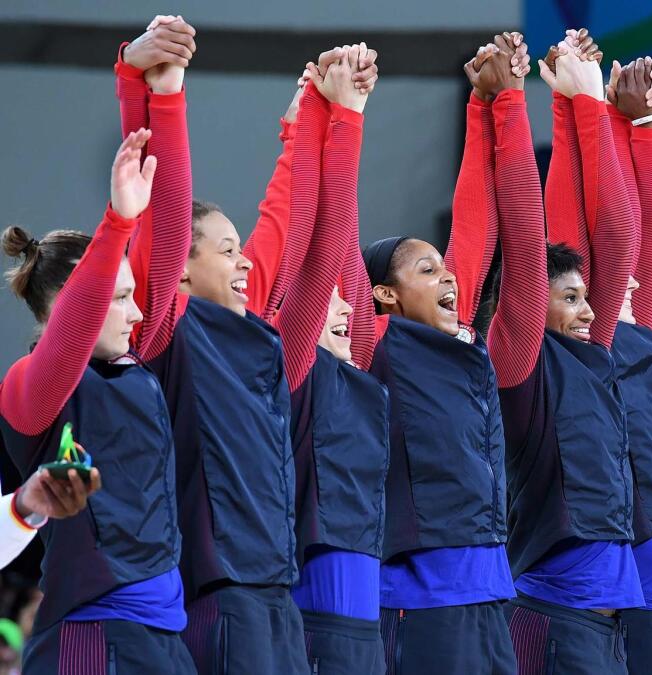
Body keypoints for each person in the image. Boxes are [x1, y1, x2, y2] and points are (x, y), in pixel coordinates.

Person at [112, 16, 371, 672]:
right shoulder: (165, 331)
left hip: (280, 598)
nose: (244, 262)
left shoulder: (268, 345)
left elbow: (304, 234)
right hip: (217, 599)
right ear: (186, 270)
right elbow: (161, 220)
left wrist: (337, 117)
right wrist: (157, 91)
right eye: (226, 251)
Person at [362, 34, 528, 675]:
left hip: (492, 589)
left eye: (445, 269)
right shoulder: (382, 346)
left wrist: (487, 108)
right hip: (424, 598)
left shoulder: (464, 349)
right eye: (427, 271)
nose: (450, 277)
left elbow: (474, 227)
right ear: (383, 295)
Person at [0, 130, 192, 672]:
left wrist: (163, 93)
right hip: (92, 633)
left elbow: (173, 241)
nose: (137, 314)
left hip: (163, 635)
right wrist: (118, 223)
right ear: (69, 304)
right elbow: (71, 333)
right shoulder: (27, 386)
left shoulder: (134, 366)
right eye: (121, 298)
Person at [549, 52, 652, 675]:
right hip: (638, 567)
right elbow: (608, 231)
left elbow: (643, 232)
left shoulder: (630, 331)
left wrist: (634, 124)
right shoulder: (594, 336)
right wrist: (582, 109)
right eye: (573, 296)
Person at [238, 47, 388, 673]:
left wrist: (327, 119)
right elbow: (306, 240)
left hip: (367, 621)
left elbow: (337, 244)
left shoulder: (360, 362)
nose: (347, 306)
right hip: (302, 609)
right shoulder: (284, 360)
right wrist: (322, 126)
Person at [499, 31, 642, 674]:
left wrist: (573, 102)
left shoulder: (596, 354)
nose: (588, 311)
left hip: (609, 629)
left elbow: (616, 236)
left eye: (590, 299)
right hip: (553, 620)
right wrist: (567, 103)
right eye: (571, 298)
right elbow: (537, 235)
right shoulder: (526, 361)